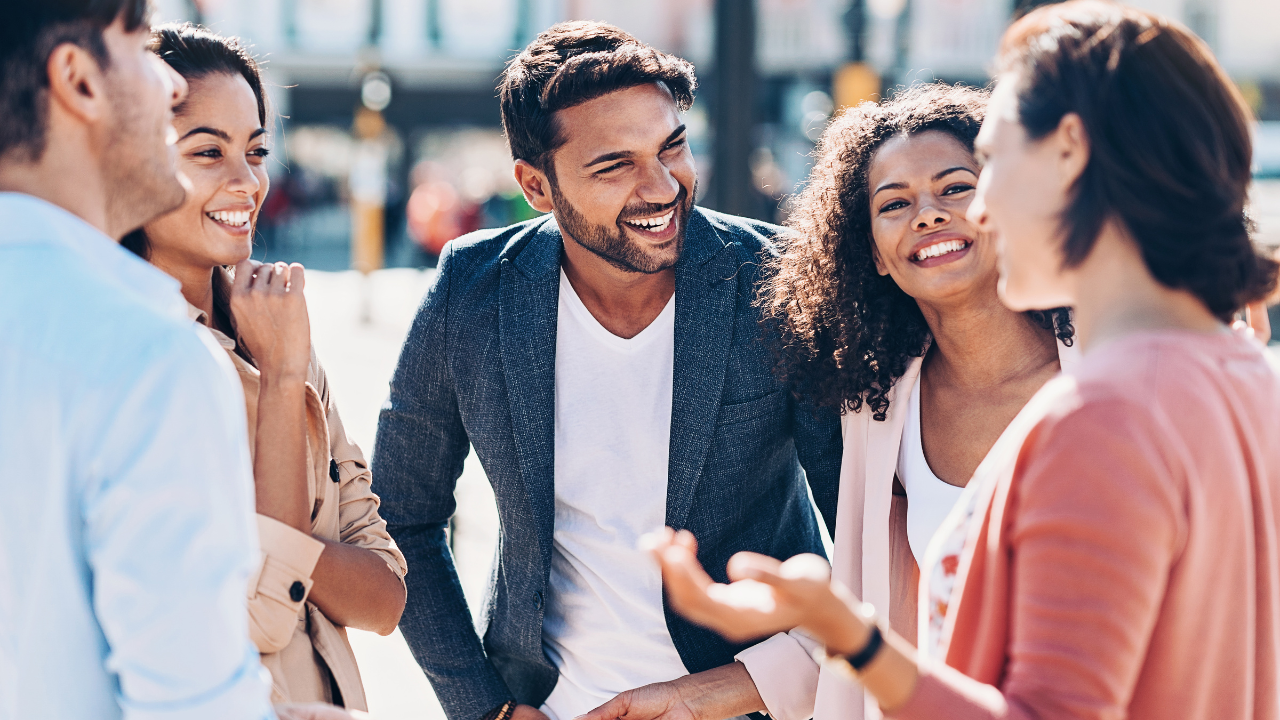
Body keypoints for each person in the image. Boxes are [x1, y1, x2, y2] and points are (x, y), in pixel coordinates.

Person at [646, 2, 1280, 719]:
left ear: (1067, 152)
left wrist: (852, 639)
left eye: (987, 165)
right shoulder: (1236, 373)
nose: (971, 212)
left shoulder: (1104, 416)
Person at [372, 21, 843, 720]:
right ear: (536, 186)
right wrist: (486, 708)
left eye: (672, 146)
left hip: (750, 702)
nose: (661, 187)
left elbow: (871, 536)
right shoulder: (471, 291)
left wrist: (724, 691)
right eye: (613, 165)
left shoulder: (778, 281)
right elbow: (401, 516)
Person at [584, 83, 1075, 720]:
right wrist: (692, 697)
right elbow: (869, 614)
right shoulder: (879, 410)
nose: (927, 214)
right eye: (894, 203)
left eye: (956, 187)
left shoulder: (1113, 368)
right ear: (871, 250)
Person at [0, 3, 358, 719]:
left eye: (255, 150)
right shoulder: (144, 354)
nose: (167, 84)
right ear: (78, 79)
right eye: (138, 45)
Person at [120, 23, 408, 711]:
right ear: (131, 158)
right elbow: (260, 620)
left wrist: (274, 549)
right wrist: (282, 384)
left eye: (255, 150)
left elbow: (387, 594)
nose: (246, 181)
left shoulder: (279, 327)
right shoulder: (137, 354)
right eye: (207, 151)